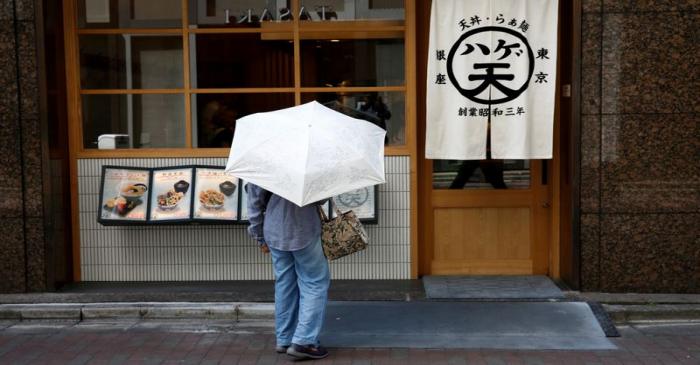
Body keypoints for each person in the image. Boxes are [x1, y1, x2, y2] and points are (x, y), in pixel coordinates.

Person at [246, 183, 331, 360]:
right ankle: (304, 341)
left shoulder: (264, 164)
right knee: (314, 283)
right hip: (304, 229)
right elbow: (321, 198)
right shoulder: (309, 163)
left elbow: (254, 203)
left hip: (275, 231)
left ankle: (285, 339)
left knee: (285, 284)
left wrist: (259, 235)